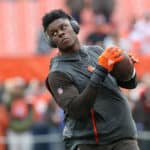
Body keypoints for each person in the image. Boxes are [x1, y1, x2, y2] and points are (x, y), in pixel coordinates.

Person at [42, 9, 140, 150]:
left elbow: (131, 84)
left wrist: (127, 67)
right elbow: (77, 110)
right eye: (54, 33)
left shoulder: (96, 51)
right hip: (91, 143)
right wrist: (101, 70)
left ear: (74, 27)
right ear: (52, 41)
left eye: (63, 27)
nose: (60, 33)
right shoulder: (57, 73)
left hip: (124, 137)